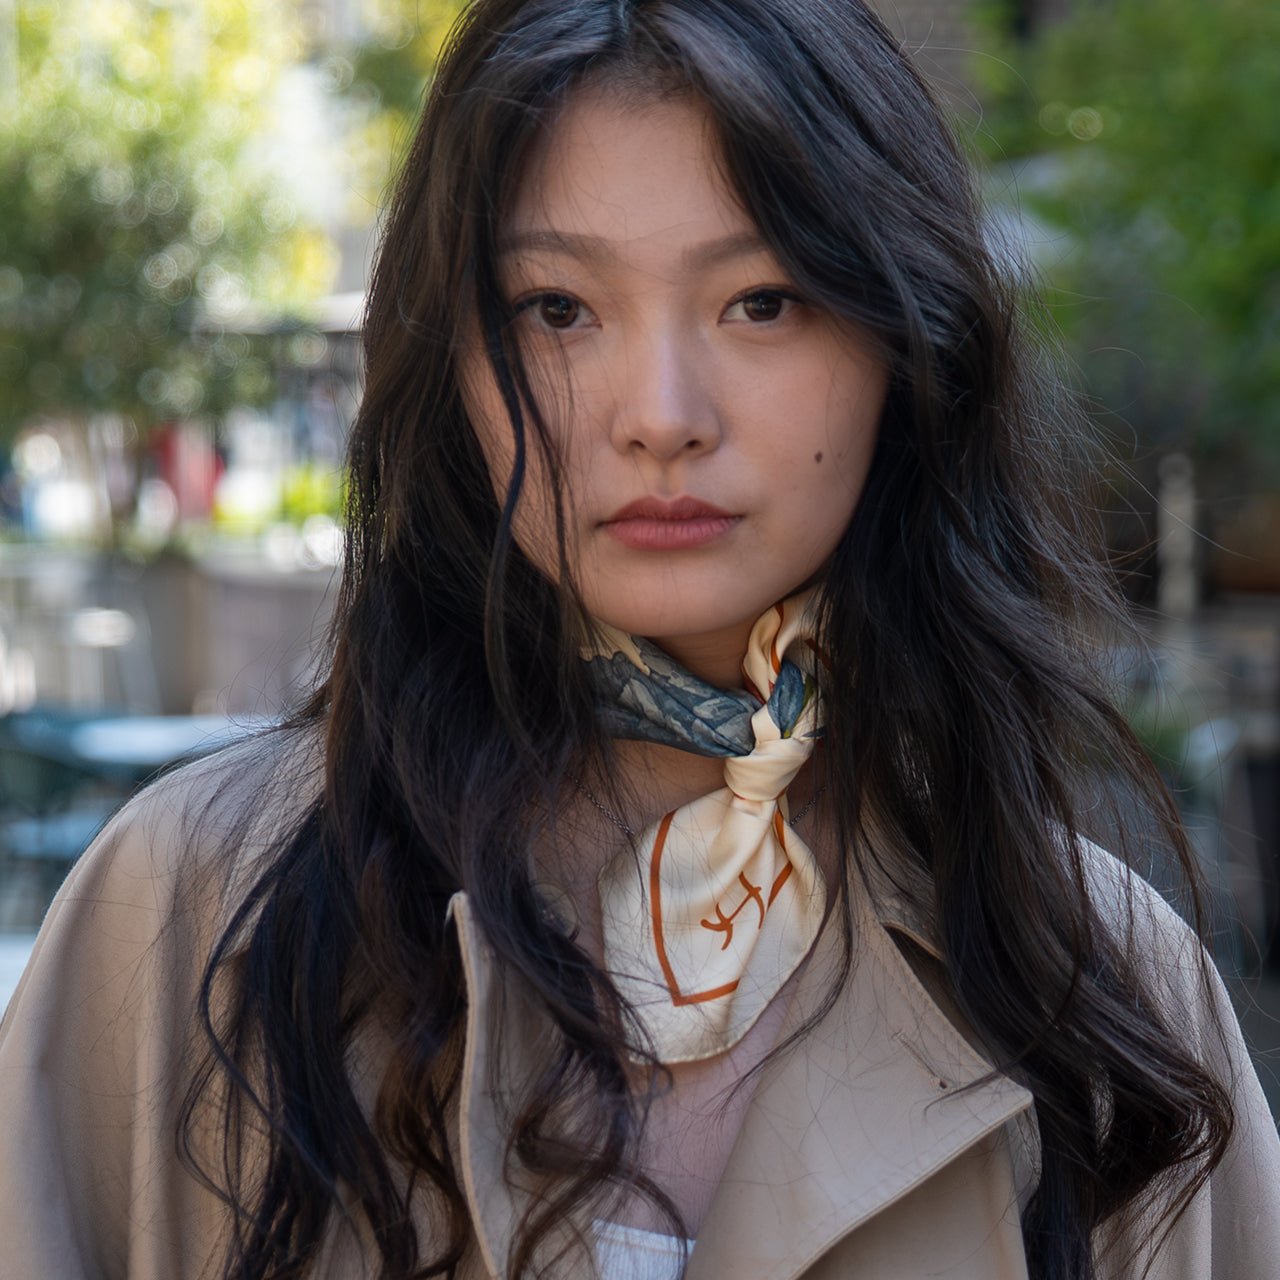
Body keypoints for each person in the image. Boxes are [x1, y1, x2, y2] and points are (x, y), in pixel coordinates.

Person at [1, 1, 1277, 1277]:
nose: (660, 416)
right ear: (449, 361)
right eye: (556, 308)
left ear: (906, 341)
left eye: (761, 300)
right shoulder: (184, 913)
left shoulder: (1101, 988)